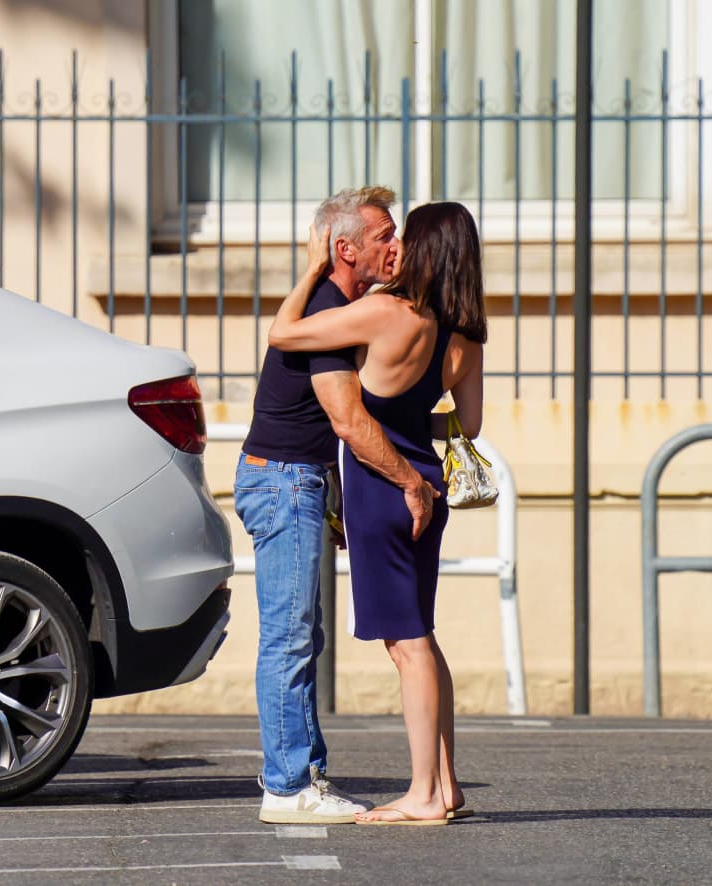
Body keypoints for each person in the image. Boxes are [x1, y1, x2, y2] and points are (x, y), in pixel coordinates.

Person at [268, 201, 487, 826]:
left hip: (380, 485)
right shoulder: (464, 332)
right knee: (423, 634)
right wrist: (418, 421)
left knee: (406, 645)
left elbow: (283, 334)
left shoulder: (385, 312)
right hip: (429, 481)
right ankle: (445, 784)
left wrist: (313, 270)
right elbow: (468, 423)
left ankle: (422, 794)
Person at [235, 186, 437, 825]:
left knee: (302, 634)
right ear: (344, 248)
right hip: (284, 482)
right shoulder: (327, 308)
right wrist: (409, 481)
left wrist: (338, 502)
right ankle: (289, 786)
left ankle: (302, 774)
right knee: (291, 638)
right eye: (384, 236)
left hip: (297, 482)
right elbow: (347, 420)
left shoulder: (337, 306)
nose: (396, 247)